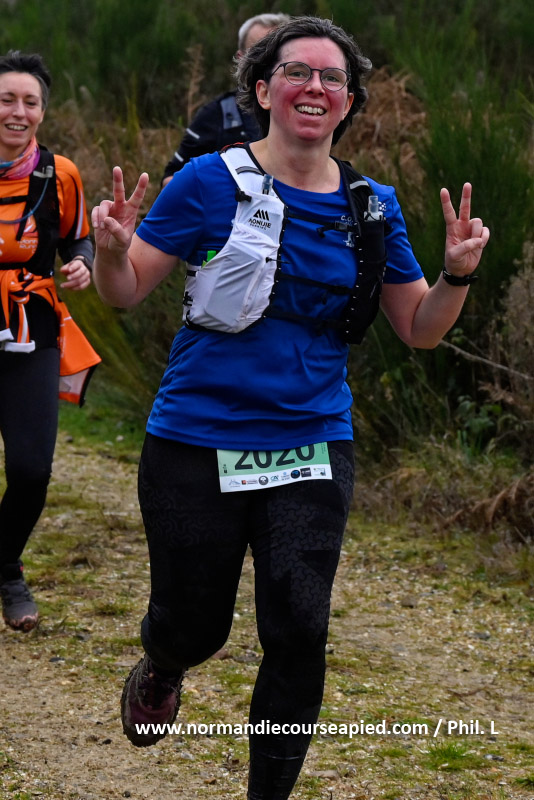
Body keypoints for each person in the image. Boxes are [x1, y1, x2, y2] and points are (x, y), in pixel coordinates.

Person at [92, 15, 489, 800]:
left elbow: (419, 329)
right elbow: (126, 289)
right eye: (297, 72)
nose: (315, 87)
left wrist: (457, 275)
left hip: (310, 441)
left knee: (300, 630)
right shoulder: (206, 181)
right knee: (194, 625)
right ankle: (165, 662)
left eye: (332, 77)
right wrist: (109, 251)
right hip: (196, 439)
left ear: (350, 101)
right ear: (264, 89)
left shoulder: (371, 208)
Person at [0, 51, 100, 632]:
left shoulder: (58, 174)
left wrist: (83, 264)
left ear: (42, 110)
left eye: (30, 102)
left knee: (32, 469)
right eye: (7, 100)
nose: (18, 112)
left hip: (32, 330)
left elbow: (78, 239)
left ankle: (5, 565)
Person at [161, 12, 290, 186]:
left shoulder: (309, 112)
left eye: (278, 56)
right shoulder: (217, 114)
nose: (269, 64)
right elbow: (171, 179)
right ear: (241, 59)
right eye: (259, 53)